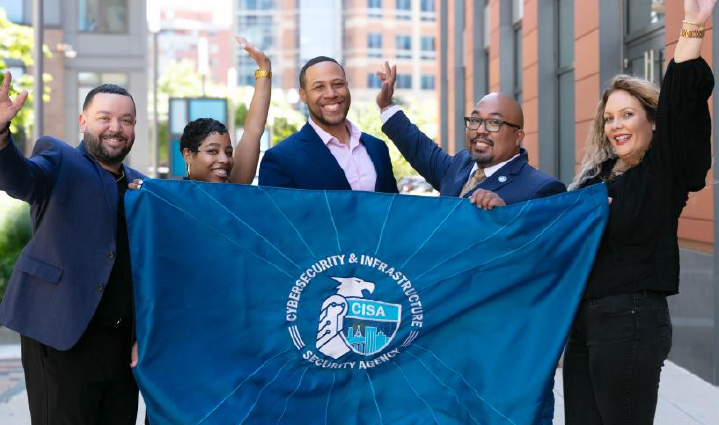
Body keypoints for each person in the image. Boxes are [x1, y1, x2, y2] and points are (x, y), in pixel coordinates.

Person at [563, 0, 716, 423]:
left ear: (652, 120)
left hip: (629, 321)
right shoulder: (597, 178)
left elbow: (682, 106)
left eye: (627, 114)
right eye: (609, 118)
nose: (615, 125)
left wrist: (692, 27)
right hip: (584, 325)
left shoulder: (661, 171)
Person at [0, 73, 144, 424]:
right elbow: (19, 178)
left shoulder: (143, 186)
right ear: (83, 122)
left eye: (126, 120)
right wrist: (2, 136)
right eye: (104, 118)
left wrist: (143, 333)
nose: (116, 128)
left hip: (123, 346)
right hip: (59, 331)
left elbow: (146, 267)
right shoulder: (58, 158)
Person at [376, 62, 565, 210]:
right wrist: (386, 105)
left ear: (518, 137)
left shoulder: (543, 190)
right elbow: (420, 148)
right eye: (475, 120)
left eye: (494, 123)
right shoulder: (459, 165)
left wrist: (505, 220)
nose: (481, 130)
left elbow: (543, 251)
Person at [258, 56, 398, 193]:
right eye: (319, 87)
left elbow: (394, 210)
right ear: (303, 95)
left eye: (338, 84)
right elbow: (276, 215)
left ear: (347, 87)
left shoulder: (378, 148)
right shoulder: (281, 158)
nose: (331, 94)